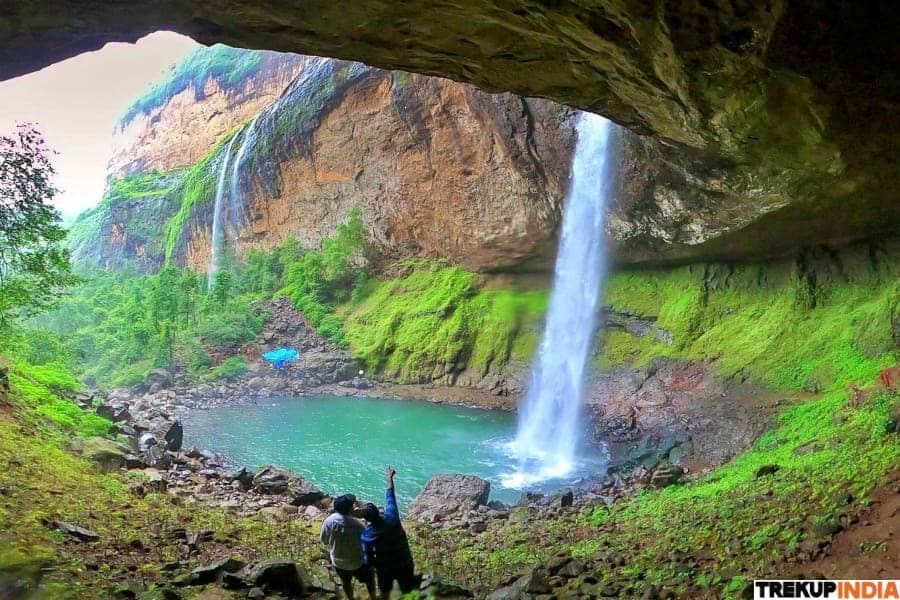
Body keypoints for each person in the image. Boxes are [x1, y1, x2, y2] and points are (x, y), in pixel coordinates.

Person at [360, 467, 418, 599]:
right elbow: (390, 494)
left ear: (367, 519)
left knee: (384, 593)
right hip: (404, 561)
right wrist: (389, 477)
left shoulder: (367, 535)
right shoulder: (392, 516)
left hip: (384, 567)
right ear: (378, 512)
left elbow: (368, 558)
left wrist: (375, 565)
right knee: (408, 591)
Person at [320, 493, 377, 599]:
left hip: (338, 562)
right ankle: (373, 597)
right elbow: (367, 544)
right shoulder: (359, 525)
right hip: (357, 562)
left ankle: (350, 598)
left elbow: (324, 540)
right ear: (351, 509)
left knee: (345, 581)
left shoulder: (329, 521)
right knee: (370, 579)